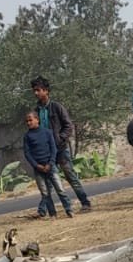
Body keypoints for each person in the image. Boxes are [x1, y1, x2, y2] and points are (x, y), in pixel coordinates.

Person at [30, 77, 92, 211]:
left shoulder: (56, 107)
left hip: (60, 149)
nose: (36, 93)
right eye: (34, 91)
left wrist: (60, 138)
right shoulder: (36, 111)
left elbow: (68, 126)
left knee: (70, 176)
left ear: (46, 91)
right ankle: (43, 210)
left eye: (38, 90)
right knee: (48, 183)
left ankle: (85, 202)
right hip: (46, 153)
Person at [23, 108, 77, 218]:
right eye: (27, 121)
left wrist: (50, 163)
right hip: (38, 169)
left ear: (37, 120)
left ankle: (69, 210)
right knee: (45, 193)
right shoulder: (27, 136)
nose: (29, 123)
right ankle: (52, 214)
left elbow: (53, 149)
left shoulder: (48, 132)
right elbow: (27, 153)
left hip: (50, 166)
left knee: (60, 189)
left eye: (30, 120)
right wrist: (36, 165)